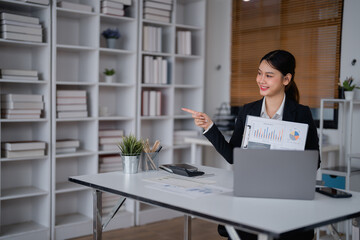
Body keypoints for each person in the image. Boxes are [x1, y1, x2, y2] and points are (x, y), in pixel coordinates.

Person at [182, 50, 320, 240]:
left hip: (286, 199)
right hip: (251, 196)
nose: (261, 80)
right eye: (259, 73)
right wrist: (209, 127)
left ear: (286, 79)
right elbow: (233, 156)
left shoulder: (301, 114)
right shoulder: (248, 111)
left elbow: (315, 162)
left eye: (269, 75)